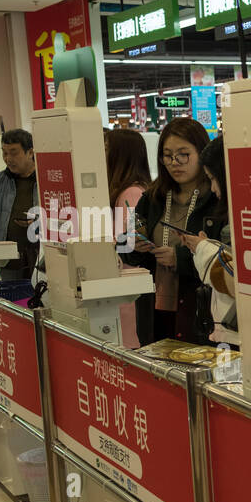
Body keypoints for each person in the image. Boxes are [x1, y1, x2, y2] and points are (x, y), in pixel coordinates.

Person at [121, 117, 220, 346]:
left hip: (201, 308)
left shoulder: (216, 199)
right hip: (155, 306)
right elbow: (125, 247)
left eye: (183, 154)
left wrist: (181, 259)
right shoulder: (152, 197)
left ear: (201, 153)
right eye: (168, 155)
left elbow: (225, 256)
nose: (175, 162)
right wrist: (133, 244)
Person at [179, 134, 238, 347]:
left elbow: (234, 278)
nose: (173, 162)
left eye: (213, 178)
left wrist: (203, 249)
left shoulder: (245, 219)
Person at [104, 128, 152, 348]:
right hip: (124, 292)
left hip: (128, 295)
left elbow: (133, 243)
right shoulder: (123, 191)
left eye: (105, 148)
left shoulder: (131, 194)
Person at [0, 128, 39, 301]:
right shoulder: (1, 180)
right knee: (13, 308)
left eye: (14, 153)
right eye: (4, 153)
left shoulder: (45, 178)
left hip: (40, 260)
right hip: (9, 261)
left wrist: (39, 223)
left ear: (30, 152)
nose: (8, 159)